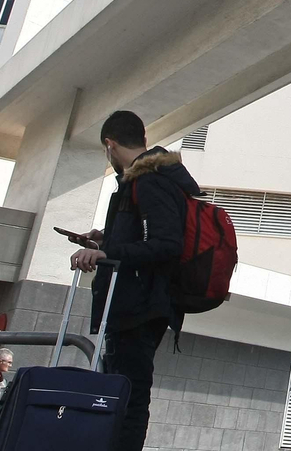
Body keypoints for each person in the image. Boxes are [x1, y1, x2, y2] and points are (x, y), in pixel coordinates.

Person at [69, 110, 200, 451]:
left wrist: (106, 254)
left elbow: (167, 244)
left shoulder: (150, 181)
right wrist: (102, 242)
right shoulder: (144, 181)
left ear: (110, 145)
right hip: (134, 303)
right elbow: (144, 238)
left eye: (105, 150)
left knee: (128, 398)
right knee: (120, 395)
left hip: (138, 307)